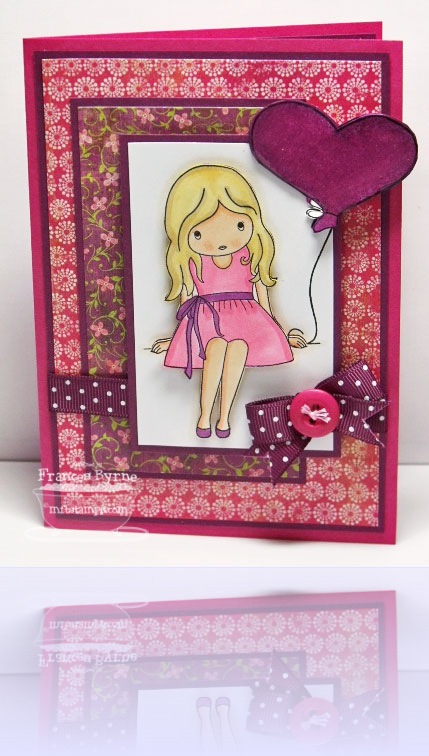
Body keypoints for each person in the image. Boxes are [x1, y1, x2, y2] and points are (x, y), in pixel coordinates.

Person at [151, 164, 306, 438]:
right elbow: (186, 301)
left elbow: (263, 297)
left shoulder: (250, 255)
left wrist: (281, 333)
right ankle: (204, 416)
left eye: (238, 225)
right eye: (199, 233)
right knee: (216, 346)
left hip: (248, 320)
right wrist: (177, 339)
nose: (221, 241)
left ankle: (223, 418)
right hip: (206, 319)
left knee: (238, 347)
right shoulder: (192, 260)